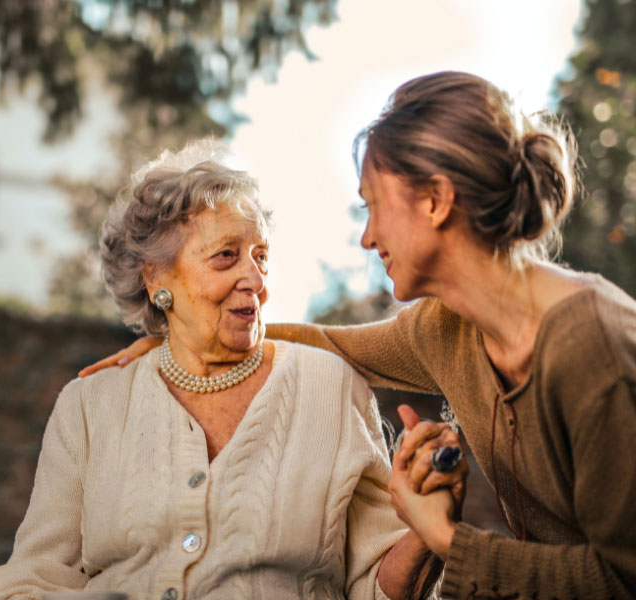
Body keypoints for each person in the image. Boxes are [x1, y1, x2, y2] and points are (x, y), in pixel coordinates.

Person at [79, 72, 636, 598]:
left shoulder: (594, 347)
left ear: (436, 201)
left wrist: (447, 541)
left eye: (373, 206)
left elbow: (624, 578)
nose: (367, 238)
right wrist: (185, 335)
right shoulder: (446, 328)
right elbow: (332, 343)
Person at [0, 140, 465, 600]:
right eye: (226, 256)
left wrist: (426, 532)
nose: (255, 280)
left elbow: (378, 589)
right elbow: (29, 581)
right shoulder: (89, 406)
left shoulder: (331, 388)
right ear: (156, 278)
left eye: (261, 257)